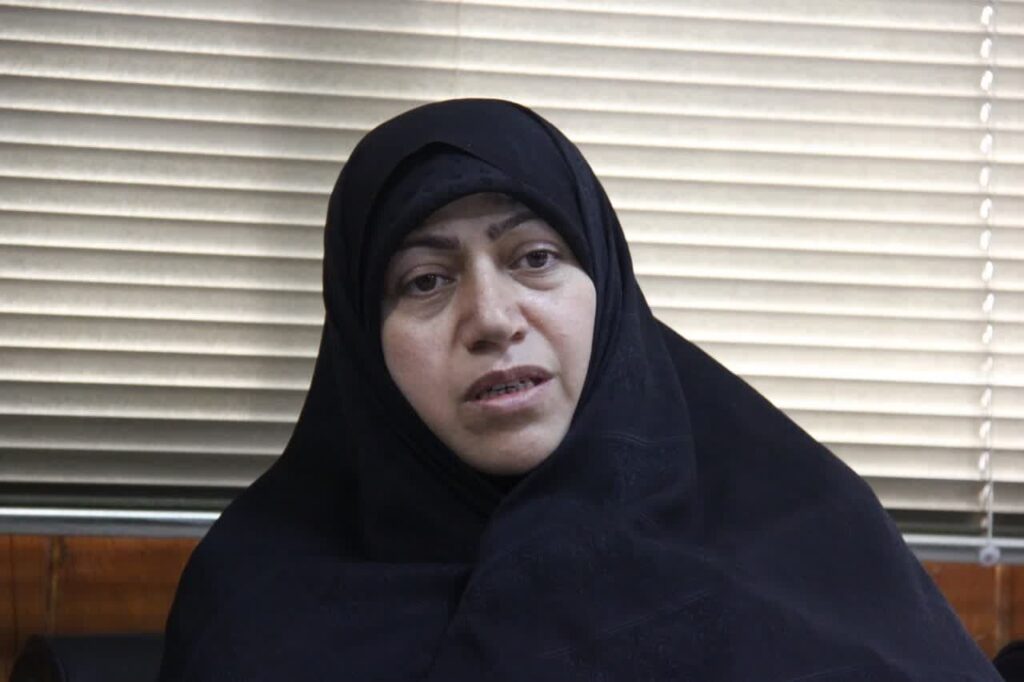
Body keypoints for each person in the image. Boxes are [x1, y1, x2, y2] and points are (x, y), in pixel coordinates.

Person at [158, 99, 1001, 681]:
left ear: (609, 291)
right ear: (360, 339)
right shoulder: (256, 603)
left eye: (534, 258)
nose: (492, 319)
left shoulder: (802, 543)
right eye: (424, 281)